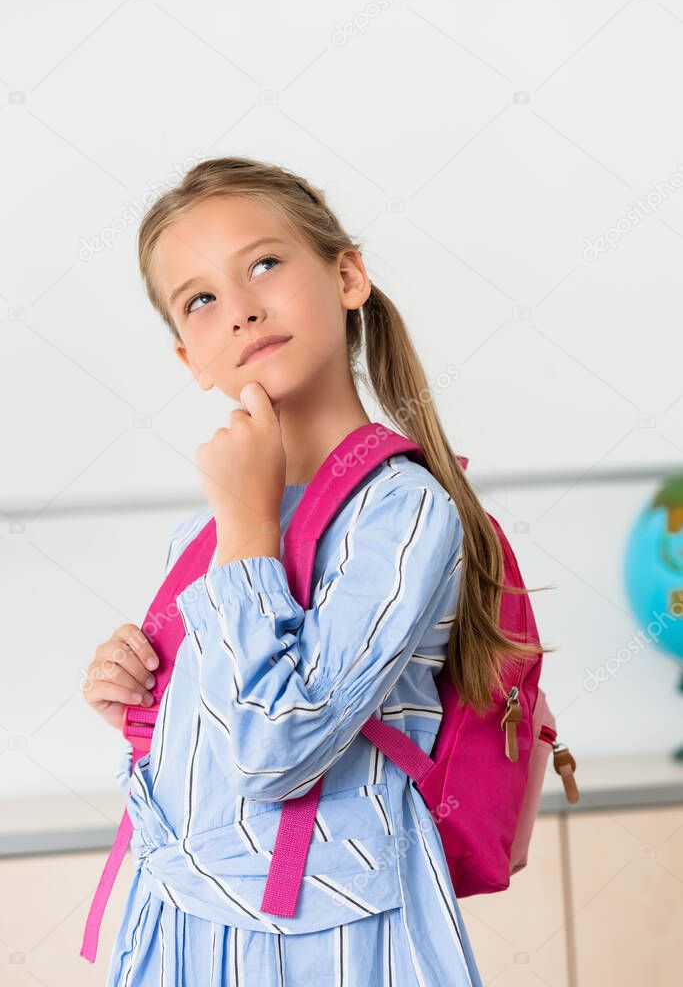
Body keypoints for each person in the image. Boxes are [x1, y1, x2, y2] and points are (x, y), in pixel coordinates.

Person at [83, 156, 537, 986]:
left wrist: (247, 525)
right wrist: (137, 696)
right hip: (184, 926)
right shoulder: (213, 522)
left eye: (263, 263)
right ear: (193, 360)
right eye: (201, 299)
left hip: (327, 940)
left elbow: (276, 750)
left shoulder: (402, 511)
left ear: (348, 275)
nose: (242, 308)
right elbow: (221, 733)